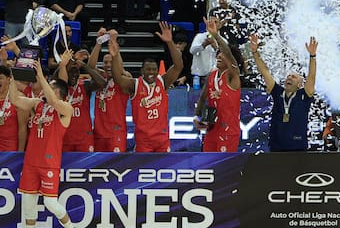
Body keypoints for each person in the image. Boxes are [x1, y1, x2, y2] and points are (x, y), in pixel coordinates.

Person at [11, 61, 81, 228]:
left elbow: (54, 102)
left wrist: (41, 76)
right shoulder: (38, 105)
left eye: (49, 87)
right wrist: (12, 78)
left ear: (57, 91)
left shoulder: (66, 108)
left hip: (49, 163)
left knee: (50, 203)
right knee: (28, 202)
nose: (43, 89)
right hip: (31, 161)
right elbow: (15, 100)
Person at [109, 22, 184, 152]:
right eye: (148, 69)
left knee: (165, 165)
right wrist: (115, 57)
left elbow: (178, 66)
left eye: (154, 69)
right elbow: (117, 79)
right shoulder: (135, 84)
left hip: (162, 139)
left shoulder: (163, 81)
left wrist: (170, 42)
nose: (151, 72)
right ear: (142, 71)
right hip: (143, 140)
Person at [249, 34, 318, 152]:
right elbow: (264, 71)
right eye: (288, 76)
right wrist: (255, 52)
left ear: (300, 84)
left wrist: (312, 56)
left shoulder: (304, 95)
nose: (289, 78)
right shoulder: (278, 92)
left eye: (293, 77)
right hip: (276, 146)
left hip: (298, 147)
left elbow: (311, 76)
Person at [194, 17, 242, 152]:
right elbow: (202, 98)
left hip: (228, 131)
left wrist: (216, 35)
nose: (219, 56)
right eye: (218, 54)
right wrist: (197, 116)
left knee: (224, 165)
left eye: (223, 55)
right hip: (212, 130)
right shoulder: (212, 75)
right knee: (208, 163)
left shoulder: (233, 75)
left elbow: (228, 53)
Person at [57, 48, 106, 152]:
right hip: (66, 136)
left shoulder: (85, 86)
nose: (74, 75)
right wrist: (63, 64)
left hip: (84, 137)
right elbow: (54, 78)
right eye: (71, 72)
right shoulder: (60, 88)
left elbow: (102, 83)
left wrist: (84, 66)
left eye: (76, 72)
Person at [88, 29, 130, 152]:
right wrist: (98, 42)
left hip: (116, 133)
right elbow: (91, 67)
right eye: (105, 62)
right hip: (98, 133)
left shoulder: (124, 78)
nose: (108, 65)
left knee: (116, 164)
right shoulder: (101, 78)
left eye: (111, 62)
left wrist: (113, 42)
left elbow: (120, 68)